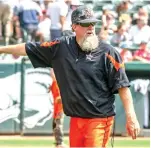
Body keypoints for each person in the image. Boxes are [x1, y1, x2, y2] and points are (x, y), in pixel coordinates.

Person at [0, 6, 140, 148]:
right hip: (76, 119)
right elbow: (28, 48)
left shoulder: (109, 53)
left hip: (99, 119)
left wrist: (131, 116)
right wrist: (1, 49)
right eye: (85, 24)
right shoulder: (61, 47)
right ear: (74, 26)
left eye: (93, 23)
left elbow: (123, 86)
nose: (91, 27)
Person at [49, 69, 64, 147]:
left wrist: (59, 111)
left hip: (59, 108)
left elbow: (62, 98)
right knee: (54, 125)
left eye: (53, 72)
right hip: (55, 107)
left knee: (58, 125)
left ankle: (60, 142)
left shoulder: (60, 83)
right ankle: (58, 142)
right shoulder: (54, 83)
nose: (51, 74)